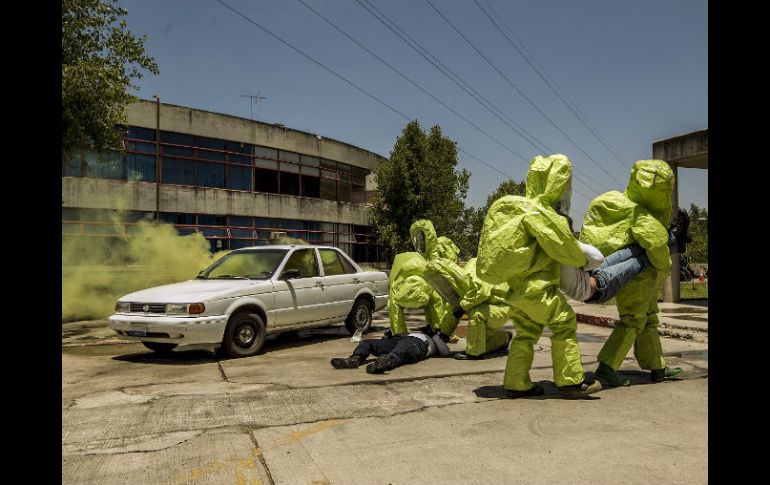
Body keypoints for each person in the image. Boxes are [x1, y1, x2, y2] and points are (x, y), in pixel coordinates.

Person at [475, 154, 601, 399]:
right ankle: (570, 382)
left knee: (526, 334)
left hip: (516, 291)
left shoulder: (519, 210)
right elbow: (567, 252)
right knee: (564, 323)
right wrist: (584, 259)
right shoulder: (543, 214)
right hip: (539, 289)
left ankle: (516, 383)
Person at [579, 159, 683, 387]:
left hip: (617, 271)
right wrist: (665, 267)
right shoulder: (644, 218)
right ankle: (607, 368)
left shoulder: (614, 201)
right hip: (639, 278)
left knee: (648, 320)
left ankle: (657, 367)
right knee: (633, 321)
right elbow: (658, 254)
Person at [560, 210, 691, 304]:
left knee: (634, 248)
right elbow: (597, 258)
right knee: (642, 261)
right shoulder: (565, 249)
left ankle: (675, 239)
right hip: (597, 285)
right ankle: (675, 239)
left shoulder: (555, 249)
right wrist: (576, 245)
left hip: (591, 274)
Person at [423, 257, 513, 360]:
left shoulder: (472, 271)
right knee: (481, 343)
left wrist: (463, 306)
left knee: (477, 314)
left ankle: (474, 354)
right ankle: (504, 338)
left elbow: (482, 291)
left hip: (503, 306)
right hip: (490, 306)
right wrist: (444, 333)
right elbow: (454, 310)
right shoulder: (460, 283)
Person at [387, 220, 459, 339]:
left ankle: (402, 332)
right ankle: (437, 328)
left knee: (436, 299)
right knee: (436, 299)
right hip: (424, 286)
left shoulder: (437, 248)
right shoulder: (426, 257)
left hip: (412, 287)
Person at [330, 325, 450, 374]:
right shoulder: (418, 331)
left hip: (417, 344)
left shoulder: (436, 339)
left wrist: (435, 334)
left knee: (401, 352)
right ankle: (354, 359)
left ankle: (384, 363)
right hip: (400, 340)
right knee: (368, 343)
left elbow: (445, 352)